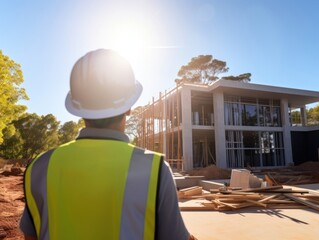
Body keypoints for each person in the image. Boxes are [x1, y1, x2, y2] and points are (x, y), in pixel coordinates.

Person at [20, 49, 196, 240]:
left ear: (78, 108)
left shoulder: (39, 167)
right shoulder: (155, 170)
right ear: (128, 108)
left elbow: (31, 237)